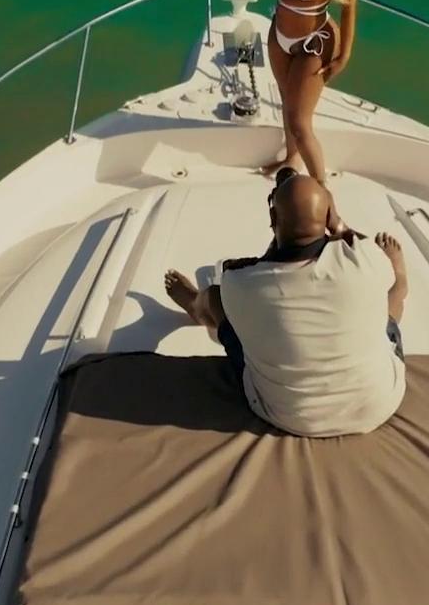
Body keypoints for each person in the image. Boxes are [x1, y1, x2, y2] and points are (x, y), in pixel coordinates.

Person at [163, 172, 408, 438]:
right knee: (384, 305)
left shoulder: (239, 284)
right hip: (378, 404)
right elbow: (359, 243)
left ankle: (197, 307)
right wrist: (337, 223)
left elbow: (264, 269)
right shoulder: (368, 261)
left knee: (214, 298)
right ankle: (402, 279)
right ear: (328, 215)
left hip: (287, 415)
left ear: (272, 218)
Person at [263, 0, 360, 236]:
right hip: (280, 36)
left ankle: (327, 205)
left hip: (313, 43)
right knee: (285, 101)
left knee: (300, 122)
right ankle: (290, 159)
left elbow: (349, 6)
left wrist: (344, 54)